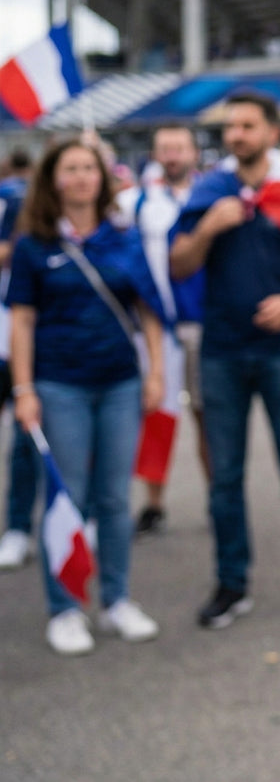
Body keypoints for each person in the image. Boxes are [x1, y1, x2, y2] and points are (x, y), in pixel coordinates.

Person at [170, 92, 280, 628]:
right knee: (225, 477)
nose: (236, 135)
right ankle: (230, 584)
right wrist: (207, 229)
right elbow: (177, 265)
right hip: (222, 352)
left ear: (273, 132)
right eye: (231, 127)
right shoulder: (209, 191)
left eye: (248, 126)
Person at [8, 140, 166, 655]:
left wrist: (155, 374)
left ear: (104, 177)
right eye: (70, 169)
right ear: (53, 179)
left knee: (116, 497)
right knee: (66, 496)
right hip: (59, 384)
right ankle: (65, 607)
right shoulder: (34, 244)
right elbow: (23, 321)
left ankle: (116, 599)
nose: (81, 177)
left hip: (119, 381)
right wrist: (24, 388)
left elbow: (147, 311)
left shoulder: (123, 236)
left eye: (89, 168)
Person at [112, 125, 207, 536]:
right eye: (165, 148)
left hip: (203, 323)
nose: (172, 155)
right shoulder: (134, 203)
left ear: (193, 153)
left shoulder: (210, 196)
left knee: (209, 416)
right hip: (154, 326)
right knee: (157, 413)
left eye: (179, 147)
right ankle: (154, 503)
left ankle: (216, 500)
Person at [0, 150, 36, 570]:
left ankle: (19, 525)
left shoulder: (18, 202)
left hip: (25, 341)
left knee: (27, 441)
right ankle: (17, 525)